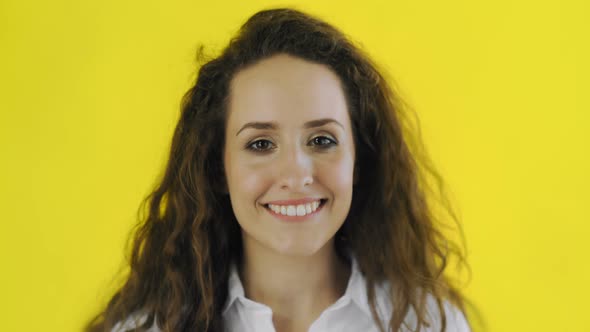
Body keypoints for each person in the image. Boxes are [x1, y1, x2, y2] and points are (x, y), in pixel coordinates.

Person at [85, 7, 472, 332]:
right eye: (260, 144)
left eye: (322, 140)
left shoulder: (429, 324)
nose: (295, 174)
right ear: (218, 169)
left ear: (359, 159)